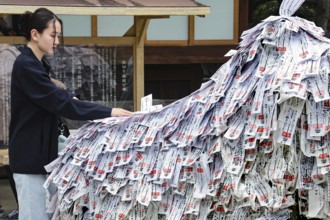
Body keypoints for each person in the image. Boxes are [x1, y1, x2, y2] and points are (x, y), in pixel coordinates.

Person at [8, 8, 132, 220]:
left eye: (58, 36)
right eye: (53, 35)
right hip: (29, 160)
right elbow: (61, 103)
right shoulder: (26, 65)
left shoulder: (37, 64)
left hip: (41, 159)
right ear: (35, 34)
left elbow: (59, 97)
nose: (57, 41)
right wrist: (110, 111)